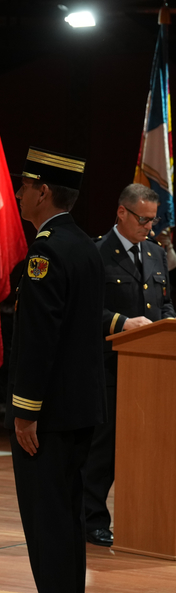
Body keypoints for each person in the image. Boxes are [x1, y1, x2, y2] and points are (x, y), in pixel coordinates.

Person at [7, 147, 105, 593]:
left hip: (49, 416)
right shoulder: (84, 244)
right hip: (81, 409)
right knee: (67, 518)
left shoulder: (46, 251)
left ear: (43, 191)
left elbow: (41, 339)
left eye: (25, 186)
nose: (20, 193)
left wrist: (26, 412)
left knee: (47, 520)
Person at [84, 183, 175, 547]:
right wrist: (124, 323)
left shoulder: (155, 254)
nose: (149, 228)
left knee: (150, 448)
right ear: (121, 212)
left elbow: (164, 302)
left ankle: (147, 520)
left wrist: (169, 324)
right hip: (111, 365)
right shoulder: (96, 254)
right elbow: (87, 311)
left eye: (152, 220)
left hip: (153, 368)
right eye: (143, 219)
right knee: (103, 450)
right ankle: (91, 520)